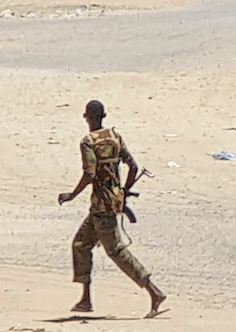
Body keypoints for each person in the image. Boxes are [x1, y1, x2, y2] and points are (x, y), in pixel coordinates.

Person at [58, 100, 166, 318]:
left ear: (86, 117)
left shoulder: (88, 142)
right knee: (81, 245)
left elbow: (89, 174)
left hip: (101, 206)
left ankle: (154, 292)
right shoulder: (115, 137)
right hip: (109, 203)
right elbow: (133, 166)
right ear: (103, 116)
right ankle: (85, 299)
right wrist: (124, 191)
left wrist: (71, 195)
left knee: (116, 251)